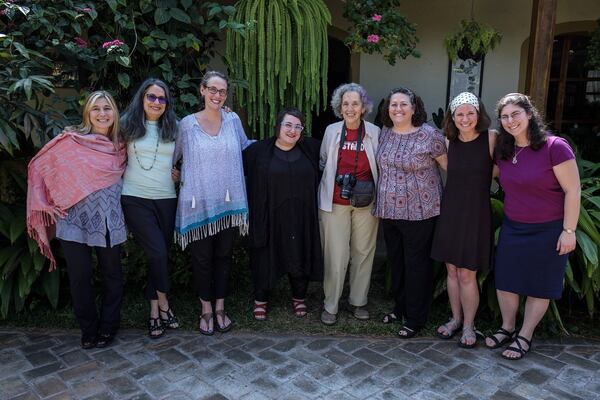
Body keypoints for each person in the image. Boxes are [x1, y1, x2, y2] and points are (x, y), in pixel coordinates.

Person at [27, 91, 126, 349]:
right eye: (96, 109)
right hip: (73, 219)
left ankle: (108, 327)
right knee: (80, 278)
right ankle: (89, 330)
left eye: (107, 108)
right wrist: (45, 202)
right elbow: (39, 165)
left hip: (108, 219)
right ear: (87, 114)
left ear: (115, 113)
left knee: (112, 275)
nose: (102, 114)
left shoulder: (122, 146)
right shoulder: (72, 141)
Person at [485, 93, 580, 360]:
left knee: (540, 284)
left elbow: (573, 190)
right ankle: (507, 327)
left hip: (549, 229)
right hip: (514, 226)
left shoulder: (554, 147)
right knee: (506, 281)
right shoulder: (505, 150)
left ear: (529, 114)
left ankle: (525, 335)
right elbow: (480, 173)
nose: (510, 121)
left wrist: (569, 231)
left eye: (515, 114)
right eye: (504, 116)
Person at [173, 71, 251, 335]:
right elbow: (172, 156)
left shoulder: (233, 120)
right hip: (199, 203)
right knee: (202, 258)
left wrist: (280, 143)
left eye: (222, 91)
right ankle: (205, 308)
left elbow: (246, 147)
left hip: (229, 205)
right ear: (202, 90)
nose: (217, 95)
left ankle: (220, 306)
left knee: (223, 257)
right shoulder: (187, 124)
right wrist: (172, 171)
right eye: (213, 90)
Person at [375, 87, 447, 338]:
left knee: (417, 265)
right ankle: (400, 307)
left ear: (415, 108)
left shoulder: (430, 135)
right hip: (389, 209)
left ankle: (416, 318)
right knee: (397, 263)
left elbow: (450, 168)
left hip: (420, 211)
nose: (398, 109)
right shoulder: (385, 132)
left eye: (404, 104)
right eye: (393, 104)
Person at [243, 108, 323, 320]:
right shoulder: (257, 152)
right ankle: (261, 298)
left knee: (300, 252)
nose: (292, 130)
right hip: (269, 215)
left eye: (298, 126)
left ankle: (299, 297)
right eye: (288, 125)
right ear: (278, 126)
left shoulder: (312, 149)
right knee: (265, 254)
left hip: (302, 216)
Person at [430, 92, 496, 348]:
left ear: (478, 114)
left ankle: (469, 325)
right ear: (453, 117)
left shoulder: (491, 139)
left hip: (476, 213)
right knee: (452, 270)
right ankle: (455, 319)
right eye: (460, 114)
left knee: (468, 273)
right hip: (451, 212)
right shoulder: (448, 141)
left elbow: (505, 170)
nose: (465, 118)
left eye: (470, 113)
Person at [120, 78, 180, 339]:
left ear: (167, 103)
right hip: (134, 198)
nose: (156, 102)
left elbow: (195, 152)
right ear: (142, 99)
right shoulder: (125, 125)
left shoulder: (176, 128)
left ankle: (154, 312)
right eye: (151, 97)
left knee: (160, 255)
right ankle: (166, 304)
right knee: (157, 254)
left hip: (167, 199)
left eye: (161, 98)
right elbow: (98, 142)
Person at [319, 83, 380, 325]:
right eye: (345, 104)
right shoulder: (331, 130)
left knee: (363, 252)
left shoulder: (375, 132)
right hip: (335, 200)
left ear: (363, 107)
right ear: (339, 107)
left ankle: (358, 300)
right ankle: (330, 304)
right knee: (336, 253)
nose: (350, 108)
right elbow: (323, 161)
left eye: (355, 103)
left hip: (366, 200)